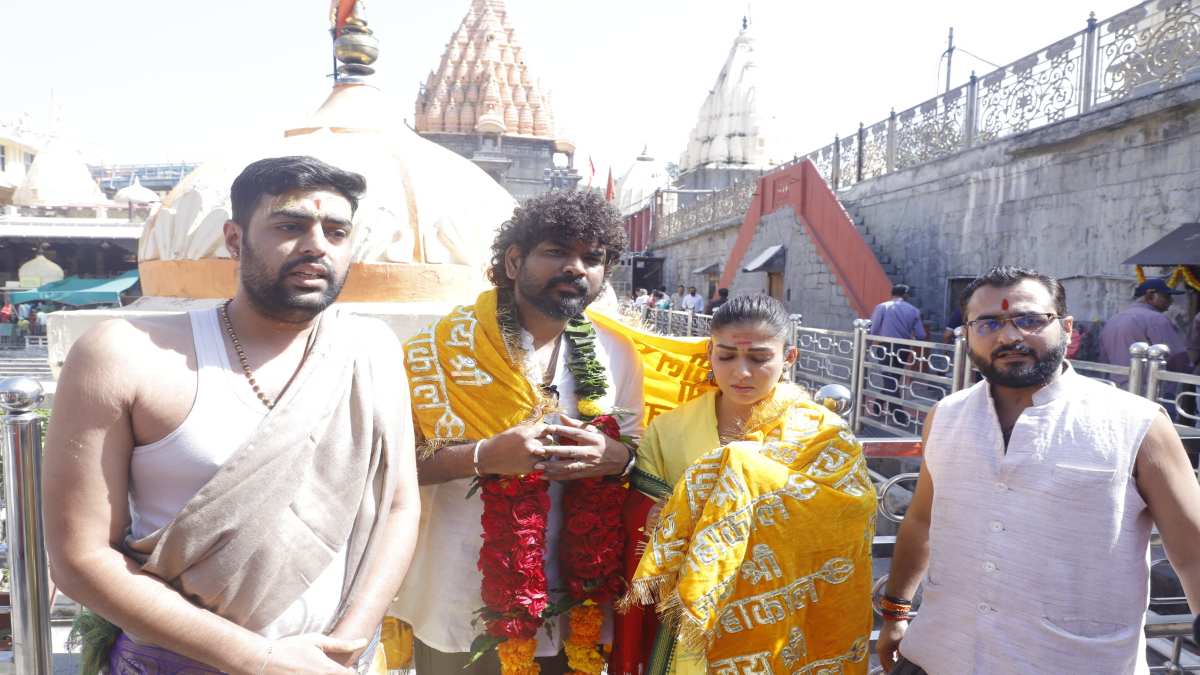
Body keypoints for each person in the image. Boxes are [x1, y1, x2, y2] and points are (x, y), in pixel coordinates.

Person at [43, 156, 421, 674]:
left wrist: (346, 647)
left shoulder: (371, 350)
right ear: (235, 240)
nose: (317, 245)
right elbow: (81, 558)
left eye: (336, 232)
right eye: (290, 226)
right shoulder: (125, 354)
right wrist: (260, 660)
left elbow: (399, 506)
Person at [877, 266, 1200, 674]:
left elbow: (1192, 552)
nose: (1009, 336)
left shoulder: (1136, 423)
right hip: (938, 654)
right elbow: (922, 521)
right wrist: (896, 612)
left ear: (1066, 327)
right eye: (988, 323)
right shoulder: (945, 416)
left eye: (1029, 320)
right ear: (967, 334)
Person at [391, 190, 643, 674]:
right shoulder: (440, 349)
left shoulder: (616, 352)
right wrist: (483, 456)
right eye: (556, 251)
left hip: (575, 601)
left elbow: (638, 457)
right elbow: (392, 468)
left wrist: (618, 459)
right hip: (457, 595)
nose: (576, 268)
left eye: (592, 258)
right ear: (513, 261)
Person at [616, 295, 876, 675]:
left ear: (789, 358)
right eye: (726, 356)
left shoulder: (822, 433)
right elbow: (638, 510)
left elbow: (851, 518)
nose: (741, 372)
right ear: (710, 353)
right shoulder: (669, 429)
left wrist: (743, 474)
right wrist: (659, 519)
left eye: (759, 358)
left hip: (783, 614)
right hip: (694, 618)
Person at [1100, 278, 1189, 372]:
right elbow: (1177, 357)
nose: (1171, 301)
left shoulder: (1113, 319)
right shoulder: (1156, 319)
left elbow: (1103, 358)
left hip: (1115, 379)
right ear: (1150, 296)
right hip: (1149, 380)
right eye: (1166, 296)